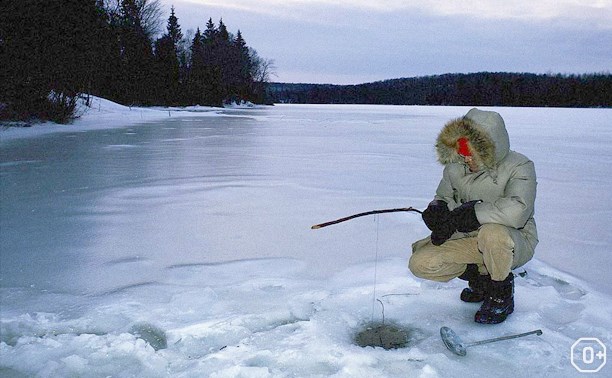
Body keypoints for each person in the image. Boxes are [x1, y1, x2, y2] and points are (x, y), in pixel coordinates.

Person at [409, 108, 538, 324]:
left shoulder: (520, 166)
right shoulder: (455, 167)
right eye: (462, 152)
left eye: (470, 153)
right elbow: (443, 195)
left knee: (492, 233)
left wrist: (473, 213)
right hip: (468, 237)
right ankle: (480, 279)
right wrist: (437, 208)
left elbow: (518, 210)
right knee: (420, 263)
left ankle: (500, 293)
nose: (465, 159)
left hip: (513, 240)